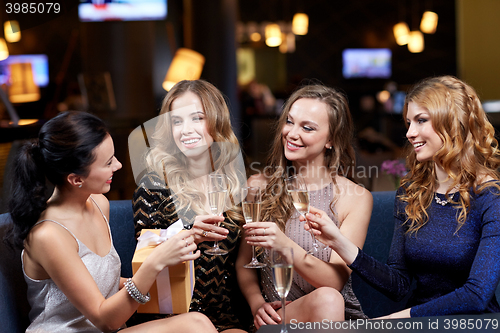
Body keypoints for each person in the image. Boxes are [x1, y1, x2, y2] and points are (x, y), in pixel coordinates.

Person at [306, 75, 500, 318]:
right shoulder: (411, 193)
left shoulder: (490, 196)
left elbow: (477, 295)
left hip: (473, 324)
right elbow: (398, 284)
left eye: (421, 121)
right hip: (419, 324)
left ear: (451, 122)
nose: (410, 132)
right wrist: (338, 241)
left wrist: (397, 319)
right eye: (409, 122)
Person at [7, 111, 217, 333]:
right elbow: (105, 321)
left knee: (198, 321)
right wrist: (154, 262)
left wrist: (182, 240)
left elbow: (101, 282)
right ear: (76, 179)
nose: (118, 166)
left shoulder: (99, 203)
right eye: (108, 163)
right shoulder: (49, 235)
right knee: (195, 325)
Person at [236, 84, 373, 329]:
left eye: (307, 127)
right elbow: (244, 263)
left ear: (331, 140)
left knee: (328, 298)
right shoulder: (258, 186)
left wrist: (283, 244)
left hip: (335, 317)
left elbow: (334, 282)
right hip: (279, 317)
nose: (291, 133)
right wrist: (257, 304)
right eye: (290, 122)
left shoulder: (355, 196)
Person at [132, 80, 252, 332]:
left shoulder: (233, 183)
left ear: (216, 121)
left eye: (197, 118)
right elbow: (146, 257)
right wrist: (189, 235)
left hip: (223, 317)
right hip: (169, 316)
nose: (186, 129)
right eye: (177, 121)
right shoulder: (154, 184)